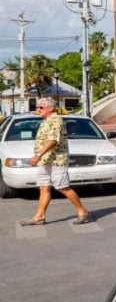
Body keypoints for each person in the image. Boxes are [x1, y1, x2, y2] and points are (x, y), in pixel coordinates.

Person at [18, 97, 92, 226]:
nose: (38, 110)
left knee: (62, 187)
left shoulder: (55, 120)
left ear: (50, 108)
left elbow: (53, 140)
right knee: (43, 188)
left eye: (41, 107)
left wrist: (38, 155)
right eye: (37, 107)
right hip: (45, 160)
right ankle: (39, 217)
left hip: (57, 160)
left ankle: (82, 211)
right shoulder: (45, 120)